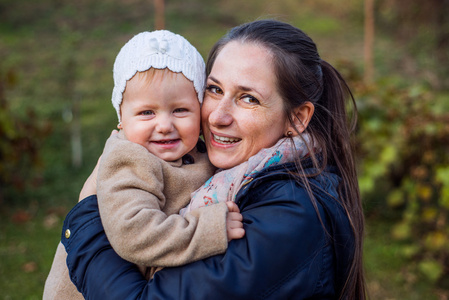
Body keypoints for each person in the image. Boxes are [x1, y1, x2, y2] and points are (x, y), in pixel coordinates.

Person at [60, 19, 367, 299]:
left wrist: (86, 217)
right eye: (215, 89)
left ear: (298, 118)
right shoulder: (234, 178)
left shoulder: (289, 215)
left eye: (249, 98)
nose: (218, 117)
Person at [43, 30, 244, 299]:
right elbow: (135, 234)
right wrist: (210, 229)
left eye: (180, 110)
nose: (164, 125)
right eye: (146, 112)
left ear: (200, 111)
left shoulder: (197, 153)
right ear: (121, 120)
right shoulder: (130, 159)